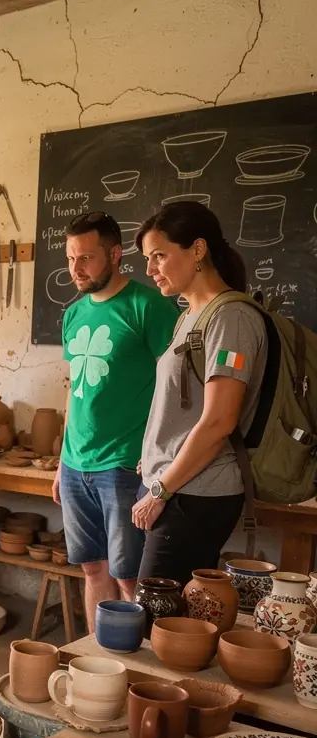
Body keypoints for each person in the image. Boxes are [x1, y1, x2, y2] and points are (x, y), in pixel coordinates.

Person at [51, 212, 179, 625]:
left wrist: (161, 456)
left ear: (115, 254)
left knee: (129, 578)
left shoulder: (150, 306)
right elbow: (75, 390)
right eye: (71, 259)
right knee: (92, 568)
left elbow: (176, 388)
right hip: (75, 464)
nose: (76, 269)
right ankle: (99, 664)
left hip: (125, 464)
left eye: (86, 258)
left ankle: (135, 676)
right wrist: (61, 464)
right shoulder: (73, 314)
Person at [132, 201, 267, 584]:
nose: (150, 269)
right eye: (147, 258)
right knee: (176, 617)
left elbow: (220, 421)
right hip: (180, 485)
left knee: (154, 619)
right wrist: (158, 454)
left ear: (197, 250)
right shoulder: (190, 315)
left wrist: (160, 490)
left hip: (197, 495)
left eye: (159, 255)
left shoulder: (231, 318)